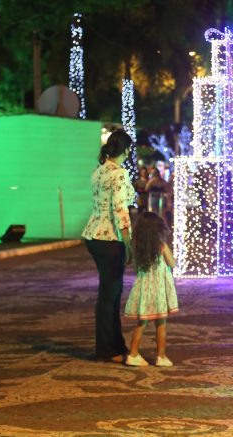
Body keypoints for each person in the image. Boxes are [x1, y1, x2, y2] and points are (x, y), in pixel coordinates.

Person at [82, 130, 135, 363]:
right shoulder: (119, 174)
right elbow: (120, 210)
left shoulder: (99, 171)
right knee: (109, 294)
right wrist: (129, 243)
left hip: (93, 234)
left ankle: (115, 344)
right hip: (110, 238)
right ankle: (106, 348)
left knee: (111, 292)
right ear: (126, 149)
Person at [123, 212, 179, 367]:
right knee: (161, 323)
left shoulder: (136, 247)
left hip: (144, 289)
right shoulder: (160, 245)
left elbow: (131, 263)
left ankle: (133, 353)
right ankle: (161, 356)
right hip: (159, 289)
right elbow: (172, 263)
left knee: (142, 323)